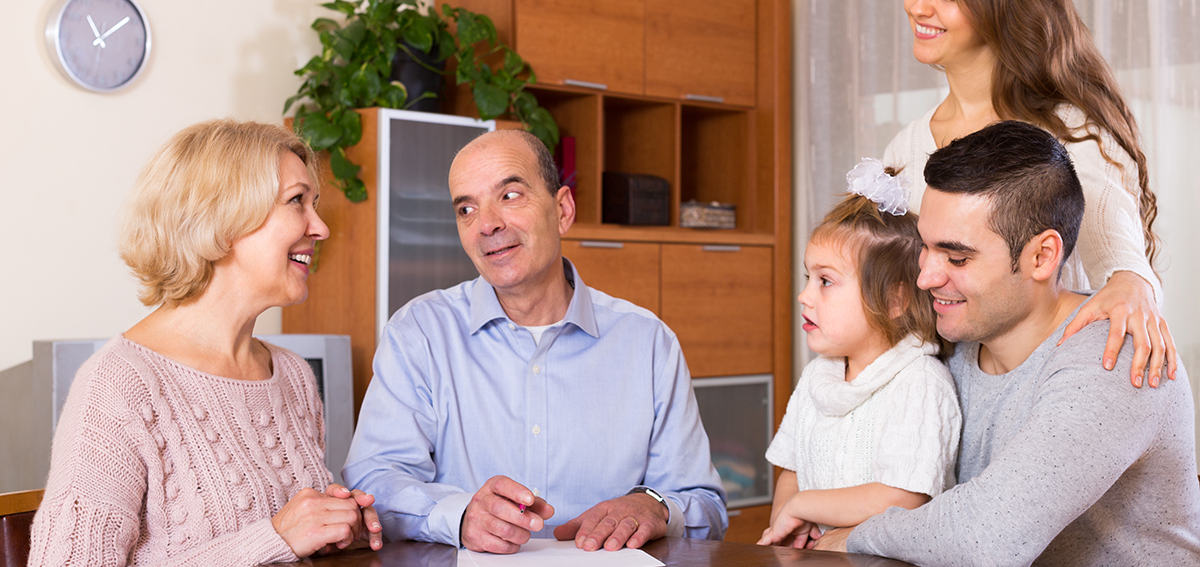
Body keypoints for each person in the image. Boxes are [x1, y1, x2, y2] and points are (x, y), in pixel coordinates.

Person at [819, 121, 1200, 565]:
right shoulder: (950, 342)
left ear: (1042, 256)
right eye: (925, 247)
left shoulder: (1115, 357)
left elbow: (988, 536)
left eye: (957, 257)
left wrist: (858, 535)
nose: (926, 277)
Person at [342, 129, 726, 554]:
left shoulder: (649, 342)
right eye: (467, 209)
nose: (487, 224)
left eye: (509, 196)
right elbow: (375, 480)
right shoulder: (419, 332)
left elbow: (706, 508)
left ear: (562, 210)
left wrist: (655, 507)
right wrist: (459, 515)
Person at [28, 120, 383, 566]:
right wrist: (275, 538)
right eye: (297, 201)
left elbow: (289, 540)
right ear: (223, 218)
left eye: (314, 204)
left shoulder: (292, 375)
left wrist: (333, 528)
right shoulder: (118, 384)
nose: (321, 228)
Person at [886, 0, 1176, 387]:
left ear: (1001, 2)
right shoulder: (904, 150)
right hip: (946, 401)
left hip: (1048, 391)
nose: (920, 6)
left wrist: (1132, 282)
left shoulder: (1072, 133)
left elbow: (1117, 250)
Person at [757, 159, 961, 549]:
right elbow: (792, 471)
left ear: (894, 300)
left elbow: (903, 497)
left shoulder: (918, 382)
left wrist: (802, 506)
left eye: (825, 281)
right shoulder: (817, 377)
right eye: (808, 278)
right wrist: (786, 524)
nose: (804, 296)